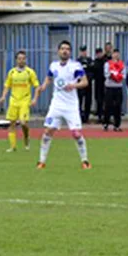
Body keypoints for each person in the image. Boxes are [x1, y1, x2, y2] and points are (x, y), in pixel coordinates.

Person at [33, 40, 90, 169]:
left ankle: (85, 161)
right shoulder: (53, 65)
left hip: (71, 105)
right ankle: (41, 161)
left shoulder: (75, 66)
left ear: (70, 52)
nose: (65, 51)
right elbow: (49, 77)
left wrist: (74, 85)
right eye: (62, 48)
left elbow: (85, 82)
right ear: (58, 51)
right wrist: (43, 86)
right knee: (48, 132)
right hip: (57, 104)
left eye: (67, 49)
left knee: (76, 134)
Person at [0, 50, 39, 152]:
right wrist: (3, 96)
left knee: (23, 122)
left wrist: (34, 98)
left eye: (23, 59)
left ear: (25, 60)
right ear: (16, 60)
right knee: (12, 123)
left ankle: (26, 138)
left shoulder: (30, 72)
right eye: (19, 59)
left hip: (25, 100)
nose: (21, 60)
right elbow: (7, 85)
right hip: (13, 99)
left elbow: (37, 86)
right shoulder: (12, 72)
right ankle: (12, 147)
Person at [103, 49, 124, 131]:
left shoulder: (122, 64)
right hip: (109, 87)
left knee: (118, 106)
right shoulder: (107, 64)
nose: (116, 55)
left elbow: (123, 75)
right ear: (112, 55)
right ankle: (106, 123)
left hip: (118, 87)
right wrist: (113, 76)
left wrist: (118, 77)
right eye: (114, 54)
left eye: (117, 54)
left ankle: (117, 125)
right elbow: (106, 74)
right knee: (108, 105)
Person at [76, 45, 93, 122]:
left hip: (88, 83)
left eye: (85, 51)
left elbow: (92, 70)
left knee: (88, 101)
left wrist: (89, 79)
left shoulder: (89, 60)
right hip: (80, 84)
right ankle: (78, 117)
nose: (84, 52)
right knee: (79, 100)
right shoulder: (77, 61)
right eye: (82, 51)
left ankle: (86, 117)